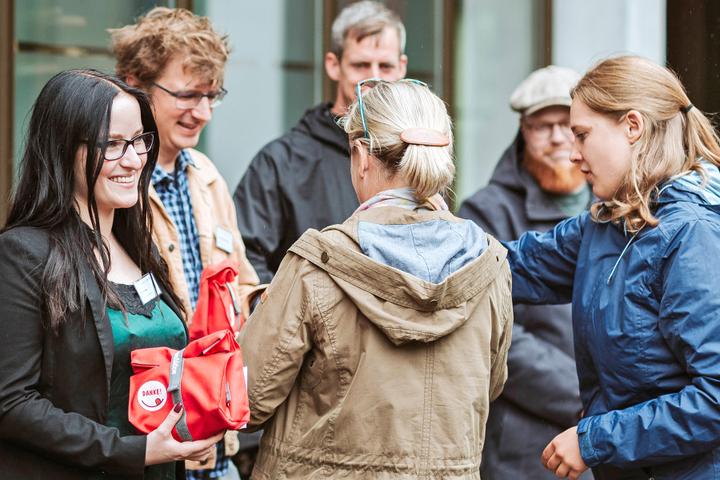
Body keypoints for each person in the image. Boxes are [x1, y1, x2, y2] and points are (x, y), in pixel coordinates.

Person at [238, 79, 513, 479]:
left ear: (362, 156)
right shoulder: (490, 263)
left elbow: (248, 398)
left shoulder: (317, 262)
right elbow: (489, 385)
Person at [503, 56, 720, 479]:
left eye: (582, 135)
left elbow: (716, 396)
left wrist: (595, 439)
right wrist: (423, 225)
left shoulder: (693, 235)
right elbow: (508, 265)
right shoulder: (604, 225)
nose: (572, 153)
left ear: (633, 127)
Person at [0, 69, 222, 479]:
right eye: (113, 145)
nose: (134, 160)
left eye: (139, 140)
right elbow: (11, 404)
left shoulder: (140, 246)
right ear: (63, 148)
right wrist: (131, 451)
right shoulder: (23, 253)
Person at [111, 8, 261, 478]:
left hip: (216, 434)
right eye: (187, 94)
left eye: (211, 96)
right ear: (136, 84)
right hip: (146, 435)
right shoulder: (115, 184)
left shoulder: (208, 176)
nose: (203, 111)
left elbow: (240, 289)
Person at [458, 66, 591, 479]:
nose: (556, 138)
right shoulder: (486, 212)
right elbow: (493, 330)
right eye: (542, 126)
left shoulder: (617, 206)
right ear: (523, 130)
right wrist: (587, 395)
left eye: (567, 126)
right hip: (523, 443)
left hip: (602, 435)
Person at [233, 0, 408, 283]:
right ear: (333, 65)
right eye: (361, 65)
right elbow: (247, 262)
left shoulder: (415, 156)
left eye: (385, 66)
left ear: (402, 67)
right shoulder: (279, 163)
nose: (373, 78)